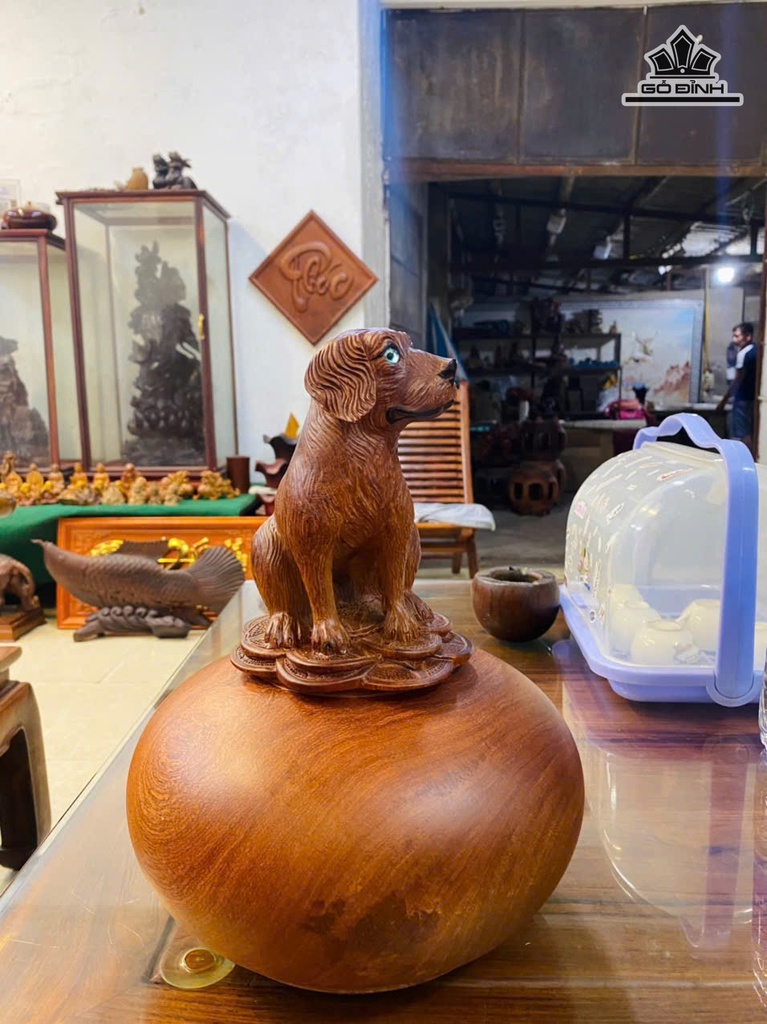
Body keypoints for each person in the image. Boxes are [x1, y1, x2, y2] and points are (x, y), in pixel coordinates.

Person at [716, 322, 757, 452]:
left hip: (742, 399)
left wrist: (723, 401)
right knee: (750, 433)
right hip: (753, 399)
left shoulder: (743, 353)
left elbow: (738, 380)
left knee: (742, 435)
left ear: (748, 336)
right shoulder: (757, 351)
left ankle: (744, 460)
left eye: (737, 336)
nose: (734, 340)